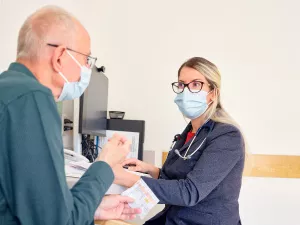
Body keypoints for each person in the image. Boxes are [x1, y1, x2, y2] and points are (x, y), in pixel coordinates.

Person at [0, 6, 140, 225]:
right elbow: (55, 221)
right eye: (86, 60)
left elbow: (25, 206)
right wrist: (105, 163)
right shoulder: (32, 97)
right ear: (60, 56)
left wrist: (93, 209)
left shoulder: (9, 91)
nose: (87, 70)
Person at [113, 57, 245, 225]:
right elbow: (178, 182)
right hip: (175, 218)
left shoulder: (227, 136)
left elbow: (190, 192)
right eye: (182, 85)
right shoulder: (190, 133)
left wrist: (123, 177)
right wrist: (152, 170)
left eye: (196, 84)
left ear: (213, 93)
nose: (186, 91)